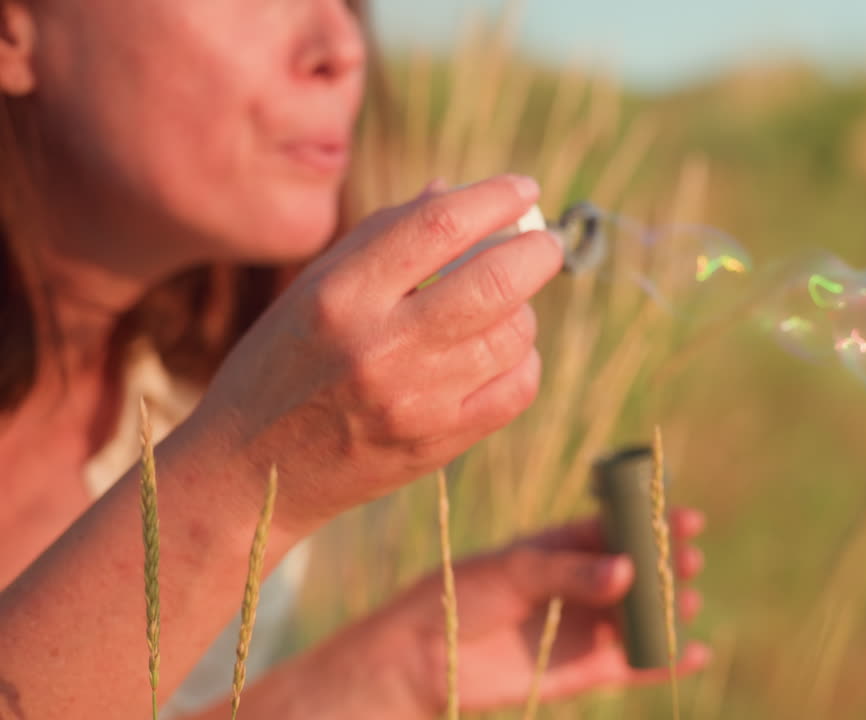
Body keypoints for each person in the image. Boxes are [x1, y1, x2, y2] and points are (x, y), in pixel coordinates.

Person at [0, 1, 710, 717]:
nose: (343, 47)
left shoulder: (167, 421)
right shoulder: (215, 448)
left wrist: (392, 670)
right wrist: (248, 474)